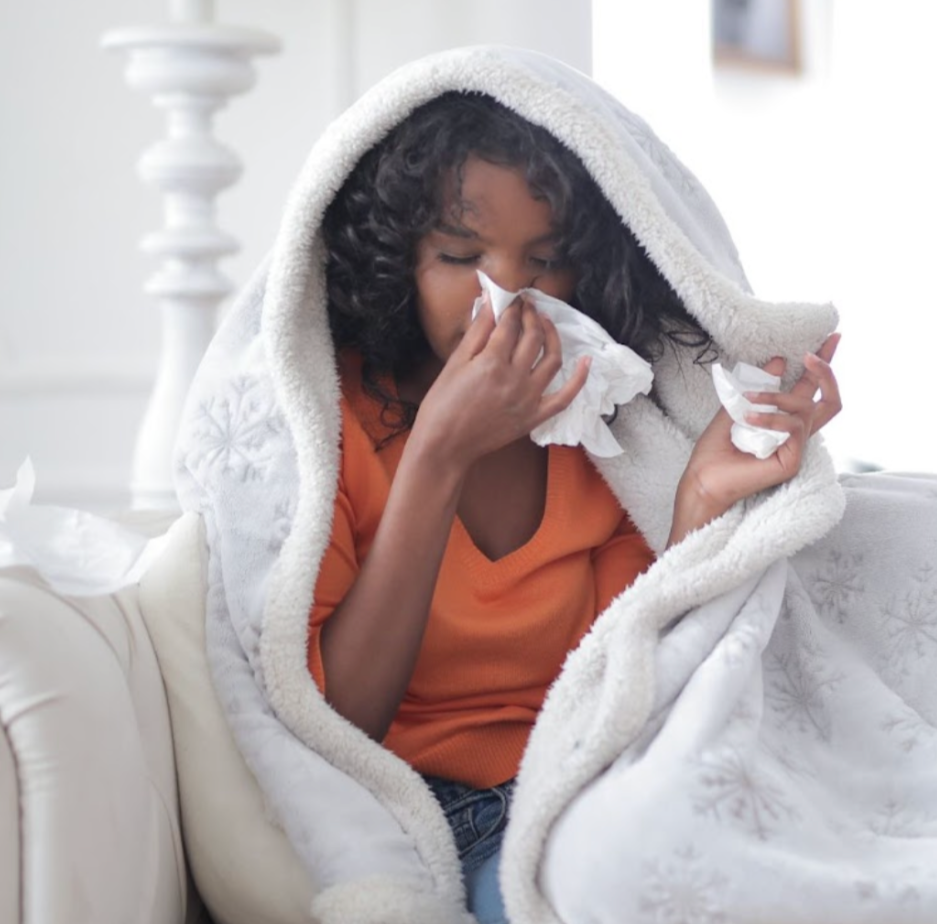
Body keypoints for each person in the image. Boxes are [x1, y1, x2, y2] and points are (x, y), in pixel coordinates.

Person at [304, 90, 841, 922]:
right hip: (427, 815)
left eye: (545, 260)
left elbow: (630, 675)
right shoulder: (335, 423)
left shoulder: (603, 427)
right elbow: (337, 722)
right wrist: (438, 455)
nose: (509, 296)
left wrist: (698, 492)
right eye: (458, 254)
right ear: (396, 256)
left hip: (592, 789)